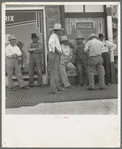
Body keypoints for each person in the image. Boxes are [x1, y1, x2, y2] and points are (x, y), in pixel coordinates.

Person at [48, 23, 64, 94]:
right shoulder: (53, 37)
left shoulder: (55, 36)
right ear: (57, 30)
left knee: (55, 72)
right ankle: (53, 89)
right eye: (60, 30)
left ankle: (57, 87)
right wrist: (57, 51)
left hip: (55, 54)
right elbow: (51, 44)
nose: (60, 32)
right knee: (54, 72)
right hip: (54, 54)